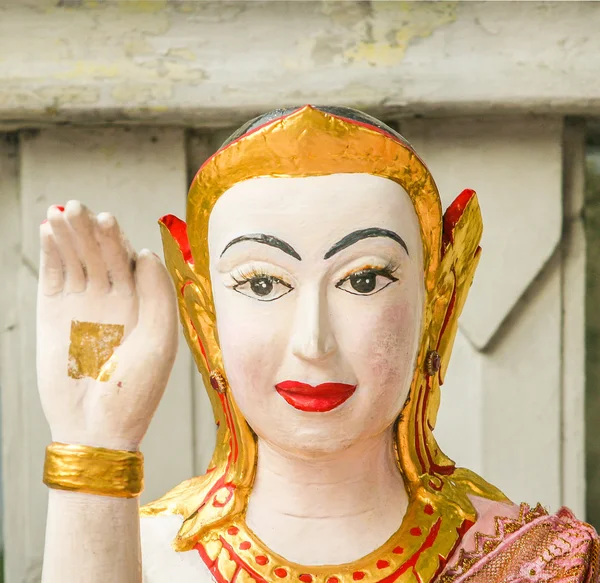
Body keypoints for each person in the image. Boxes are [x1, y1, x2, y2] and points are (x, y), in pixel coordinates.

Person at [37, 106, 599, 583]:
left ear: (438, 304)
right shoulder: (139, 558)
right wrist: (92, 452)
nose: (313, 341)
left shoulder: (529, 563)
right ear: (204, 315)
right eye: (262, 284)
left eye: (363, 280)